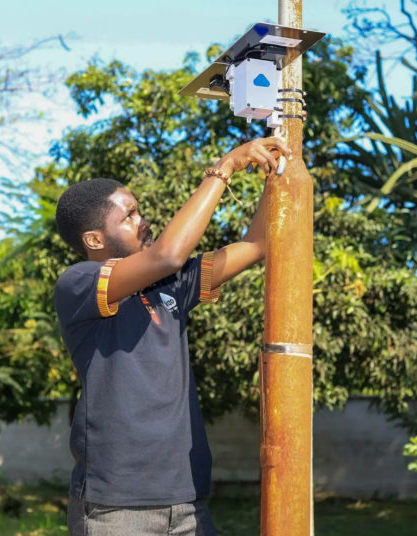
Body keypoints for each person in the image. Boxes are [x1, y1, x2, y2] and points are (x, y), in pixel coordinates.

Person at [54, 136, 290, 536]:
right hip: (117, 507)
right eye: (129, 216)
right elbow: (168, 252)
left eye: (139, 211)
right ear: (94, 240)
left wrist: (274, 172)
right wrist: (225, 168)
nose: (142, 220)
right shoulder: (78, 284)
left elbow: (257, 244)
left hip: (187, 502)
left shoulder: (173, 284)